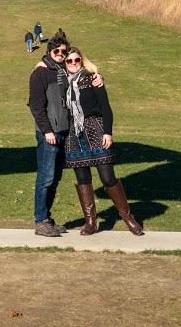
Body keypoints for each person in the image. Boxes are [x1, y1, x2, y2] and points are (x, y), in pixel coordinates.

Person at [61, 47, 143, 235]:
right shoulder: (62, 83)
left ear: (82, 60)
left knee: (107, 177)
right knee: (82, 178)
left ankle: (128, 218)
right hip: (74, 133)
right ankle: (91, 222)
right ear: (65, 64)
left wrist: (108, 132)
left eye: (77, 60)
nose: (73, 64)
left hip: (95, 129)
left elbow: (106, 107)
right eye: (69, 61)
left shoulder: (93, 78)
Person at [26, 32, 73, 236]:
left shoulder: (63, 71)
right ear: (49, 51)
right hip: (49, 134)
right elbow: (36, 106)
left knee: (55, 178)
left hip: (63, 131)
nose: (61, 54)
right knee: (45, 178)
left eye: (64, 51)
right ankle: (40, 221)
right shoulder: (40, 73)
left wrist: (98, 76)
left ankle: (47, 217)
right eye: (57, 51)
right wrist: (46, 131)